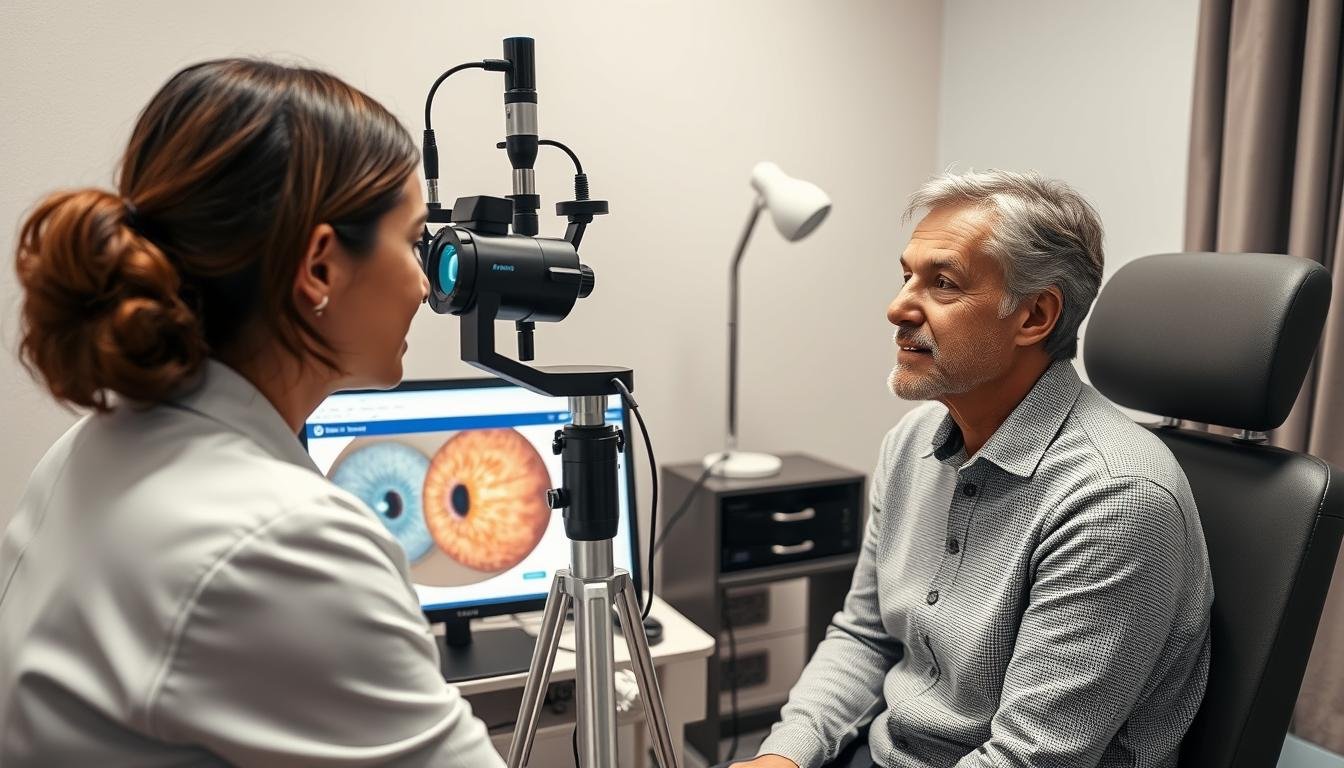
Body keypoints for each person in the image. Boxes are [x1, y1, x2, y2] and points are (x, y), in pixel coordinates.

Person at [1, 59, 505, 767]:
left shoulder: (92, 448)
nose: (426, 283)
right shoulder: (283, 543)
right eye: (412, 239)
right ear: (320, 267)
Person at [729, 170, 1213, 768]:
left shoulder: (1114, 497)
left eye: (943, 283)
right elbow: (865, 634)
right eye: (906, 275)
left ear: (1034, 316)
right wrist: (784, 756)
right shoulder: (911, 443)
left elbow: (1031, 757)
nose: (897, 307)